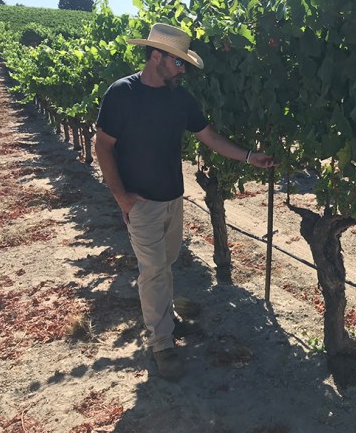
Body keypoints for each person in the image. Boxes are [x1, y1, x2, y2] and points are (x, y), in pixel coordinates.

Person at [94, 23, 275, 381]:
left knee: (168, 261)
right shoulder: (121, 94)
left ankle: (167, 318)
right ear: (156, 56)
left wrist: (249, 156)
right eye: (179, 63)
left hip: (173, 199)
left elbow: (210, 137)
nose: (183, 71)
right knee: (153, 270)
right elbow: (103, 146)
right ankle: (162, 342)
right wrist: (122, 197)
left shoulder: (180, 100)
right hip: (141, 203)